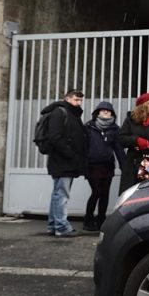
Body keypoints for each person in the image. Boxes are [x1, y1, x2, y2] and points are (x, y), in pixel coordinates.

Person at [41, 88, 86, 237]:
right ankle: (61, 226)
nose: (78, 102)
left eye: (80, 100)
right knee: (62, 194)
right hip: (62, 161)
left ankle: (53, 225)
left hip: (65, 161)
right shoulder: (60, 112)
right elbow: (55, 137)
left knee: (58, 193)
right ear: (67, 99)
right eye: (75, 99)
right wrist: (71, 154)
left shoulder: (72, 114)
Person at [83, 101, 126, 232]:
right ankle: (88, 220)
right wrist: (83, 166)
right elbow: (83, 147)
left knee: (105, 194)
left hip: (107, 166)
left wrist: (125, 167)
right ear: (97, 113)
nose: (106, 112)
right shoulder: (88, 127)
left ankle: (101, 220)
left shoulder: (115, 129)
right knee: (96, 192)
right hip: (92, 166)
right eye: (103, 110)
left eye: (109, 111)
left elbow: (118, 149)